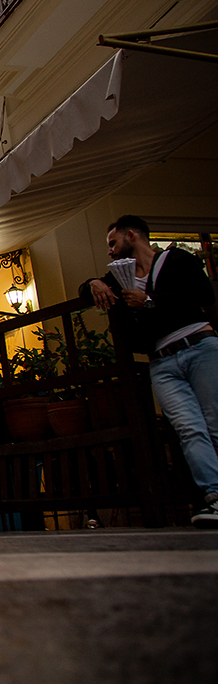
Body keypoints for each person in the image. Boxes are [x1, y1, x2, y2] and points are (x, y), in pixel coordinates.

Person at [80, 215, 217, 527]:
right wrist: (93, 283)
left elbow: (204, 295)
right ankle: (214, 496)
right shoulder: (121, 276)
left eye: (113, 242)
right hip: (162, 360)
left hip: (199, 345)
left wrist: (150, 301)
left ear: (132, 235)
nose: (110, 251)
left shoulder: (176, 259)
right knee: (188, 428)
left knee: (214, 423)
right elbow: (83, 291)